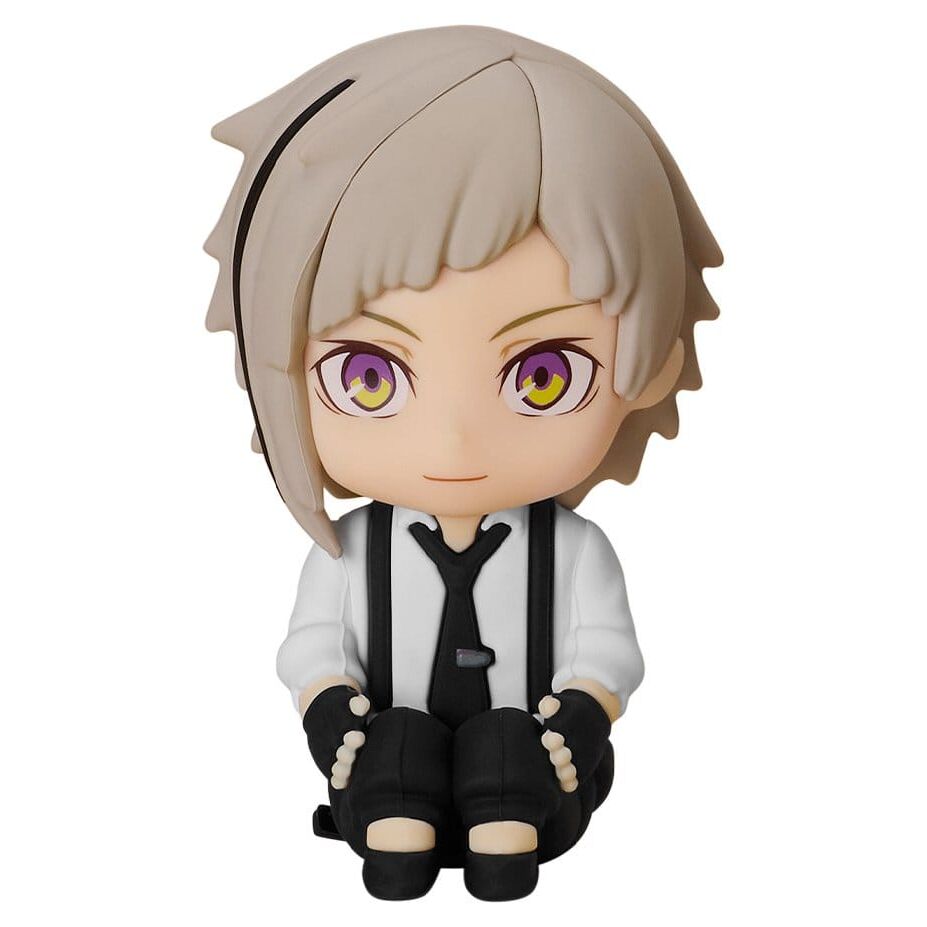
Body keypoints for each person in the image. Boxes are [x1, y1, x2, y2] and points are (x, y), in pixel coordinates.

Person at [205, 25, 721, 901]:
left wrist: (583, 711)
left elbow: (606, 647)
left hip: (538, 765)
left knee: (508, 748)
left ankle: (505, 828)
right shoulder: (350, 552)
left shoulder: (572, 551)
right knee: (396, 744)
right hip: (382, 760)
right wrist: (327, 703)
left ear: (651, 368)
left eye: (543, 375)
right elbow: (312, 643)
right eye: (368, 376)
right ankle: (393, 823)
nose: (452, 442)